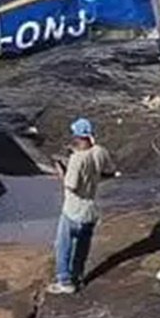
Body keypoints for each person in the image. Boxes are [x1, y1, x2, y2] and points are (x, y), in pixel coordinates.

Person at [46, 118, 116, 295]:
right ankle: (78, 278)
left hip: (72, 211)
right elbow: (109, 173)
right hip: (90, 212)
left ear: (77, 136)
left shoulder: (77, 160)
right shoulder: (101, 152)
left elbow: (71, 185)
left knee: (63, 247)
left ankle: (65, 282)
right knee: (82, 248)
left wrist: (61, 170)